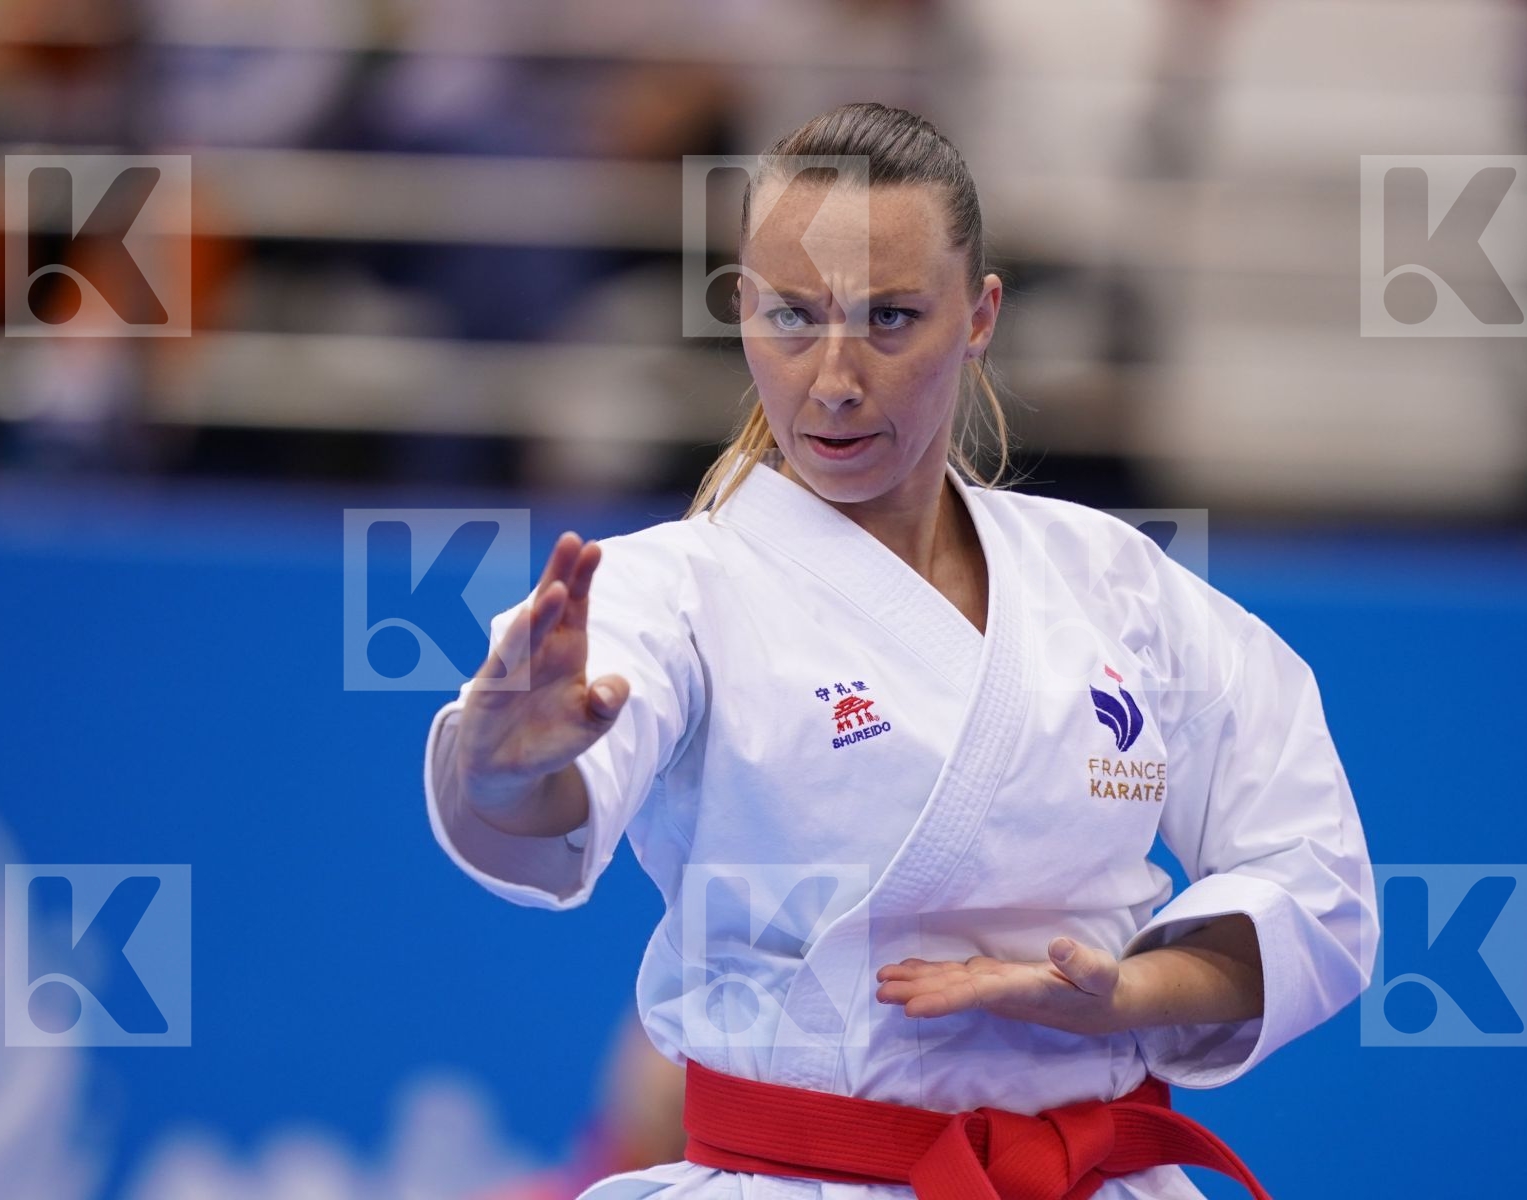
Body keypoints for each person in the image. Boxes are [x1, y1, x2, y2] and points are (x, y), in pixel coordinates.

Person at [424, 102, 1378, 1200]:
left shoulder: (1114, 584)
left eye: (890, 318)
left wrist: (1129, 993)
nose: (834, 376)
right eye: (791, 317)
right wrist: (499, 767)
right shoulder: (673, 590)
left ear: (978, 318)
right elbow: (537, 803)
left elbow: (1321, 876)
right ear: (739, 307)